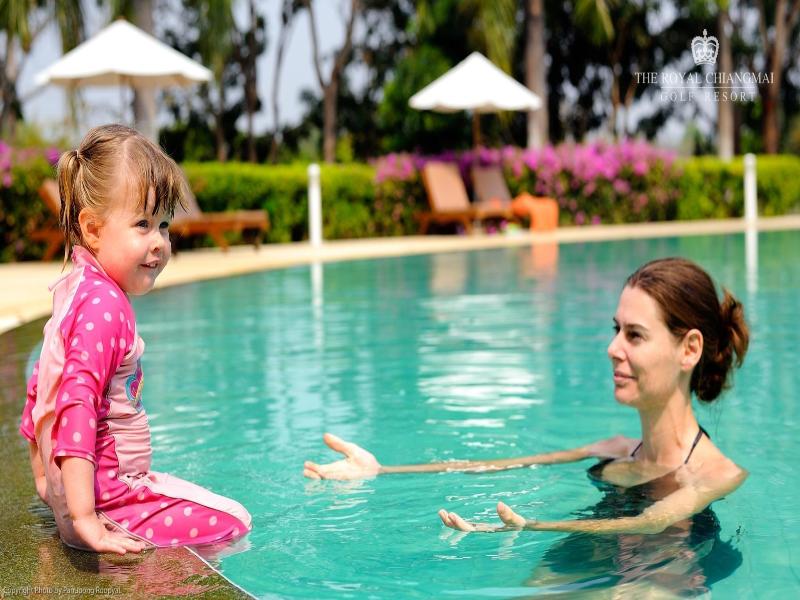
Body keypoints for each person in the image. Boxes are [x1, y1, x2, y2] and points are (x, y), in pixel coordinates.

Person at [304, 257, 749, 538]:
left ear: (689, 349)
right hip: (595, 550)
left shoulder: (715, 473)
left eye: (634, 335)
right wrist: (382, 470)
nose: (612, 348)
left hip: (665, 576)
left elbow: (651, 521)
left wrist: (531, 526)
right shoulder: (614, 449)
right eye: (616, 330)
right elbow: (502, 465)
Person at [20, 124, 251, 555]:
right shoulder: (105, 308)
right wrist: (85, 519)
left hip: (85, 499)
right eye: (142, 224)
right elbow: (75, 402)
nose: (159, 242)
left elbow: (39, 388)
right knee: (235, 522)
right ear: (92, 229)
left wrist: (46, 484)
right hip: (112, 504)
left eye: (163, 225)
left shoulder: (74, 291)